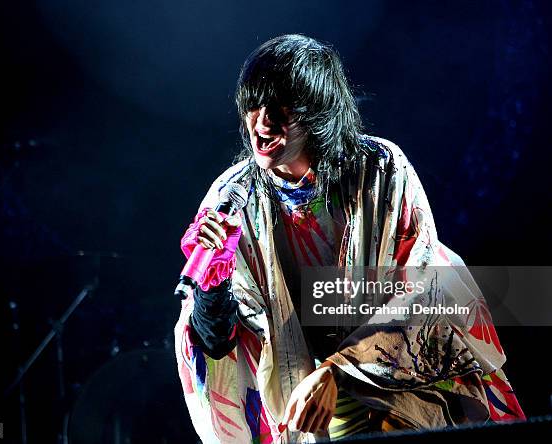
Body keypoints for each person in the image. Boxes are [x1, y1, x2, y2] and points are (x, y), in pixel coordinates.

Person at [174, 34, 525, 443]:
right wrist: (212, 287)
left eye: (279, 106)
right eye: (254, 104)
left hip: (396, 374)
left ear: (318, 110)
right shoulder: (231, 197)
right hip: (295, 394)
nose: (262, 121)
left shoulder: (380, 169)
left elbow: (425, 290)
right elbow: (217, 345)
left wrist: (337, 370)